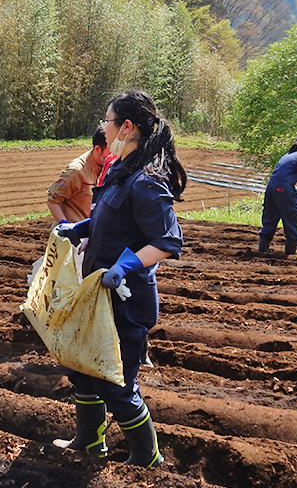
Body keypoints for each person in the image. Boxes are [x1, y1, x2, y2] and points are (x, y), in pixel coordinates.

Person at [55, 89, 184, 468]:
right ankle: (90, 441)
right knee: (82, 370)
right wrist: (78, 229)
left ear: (126, 127)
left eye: (107, 120)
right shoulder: (117, 170)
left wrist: (125, 266)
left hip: (126, 301)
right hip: (95, 294)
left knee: (117, 384)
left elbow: (167, 241)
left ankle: (147, 457)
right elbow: (107, 219)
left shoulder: (147, 182)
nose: (103, 127)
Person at [259, 134, 297, 256]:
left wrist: (293, 191)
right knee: (293, 219)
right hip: (283, 189)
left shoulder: (287, 156)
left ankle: (262, 250)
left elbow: (281, 178)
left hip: (271, 189)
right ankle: (290, 254)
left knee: (270, 219)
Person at [46, 127, 112, 225]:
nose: (114, 155)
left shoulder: (108, 167)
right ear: (98, 150)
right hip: (73, 234)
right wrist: (65, 225)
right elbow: (52, 200)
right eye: (111, 151)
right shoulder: (76, 171)